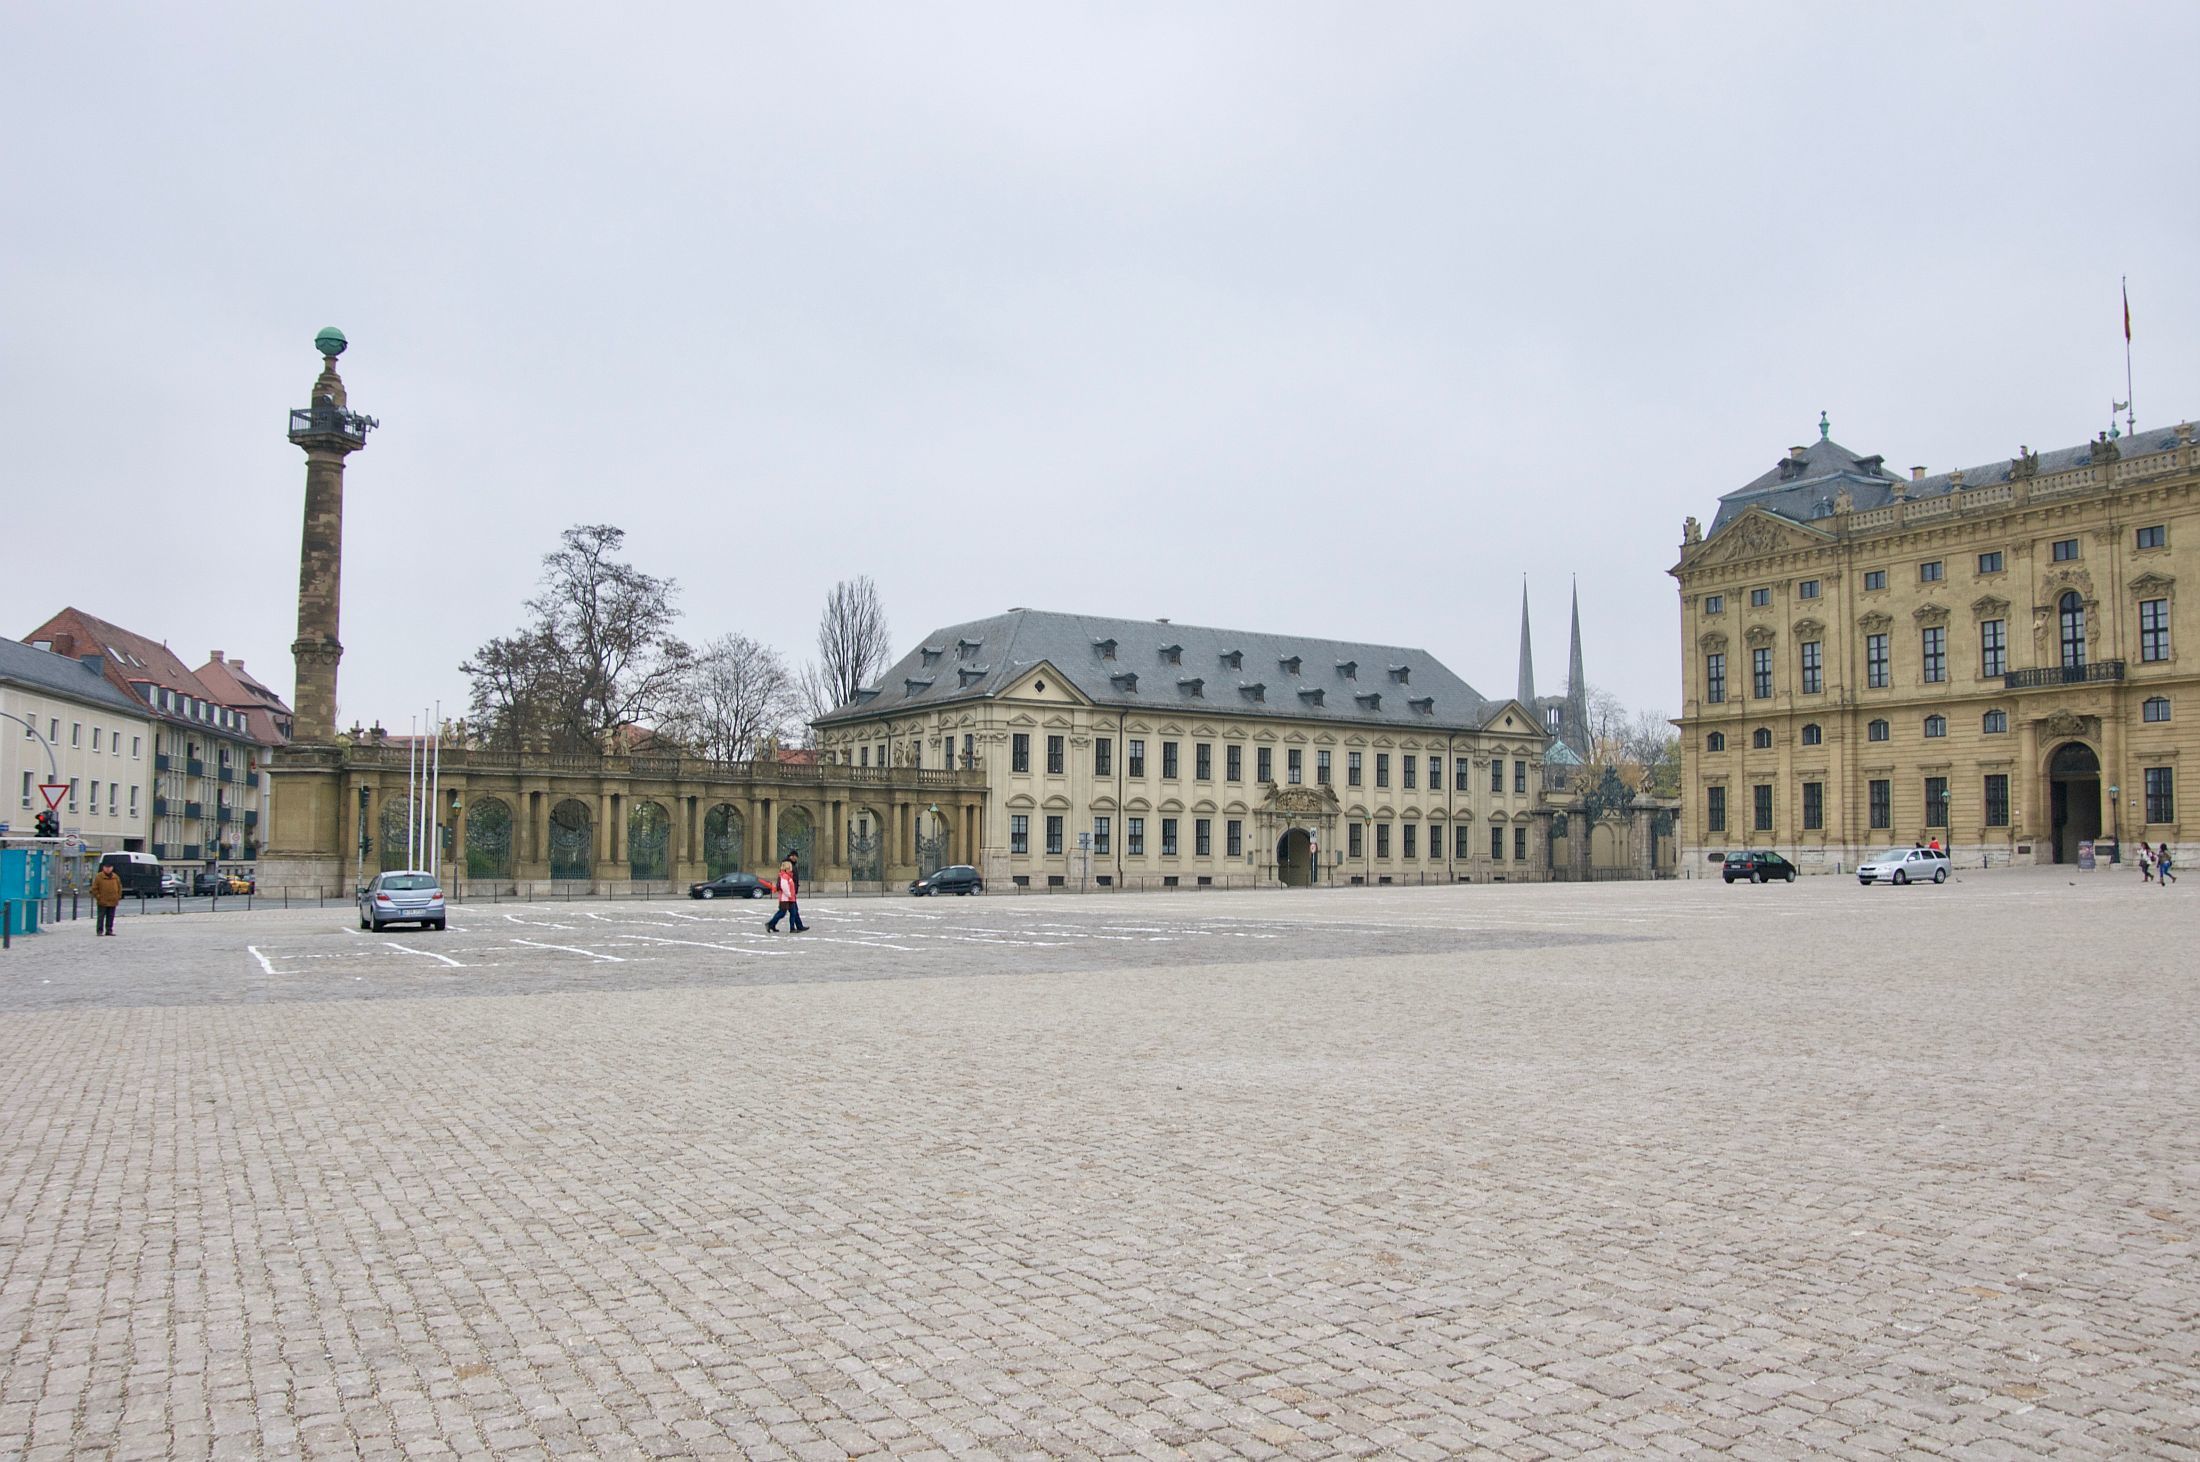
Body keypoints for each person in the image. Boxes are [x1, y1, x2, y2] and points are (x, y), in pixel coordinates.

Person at [765, 856, 808, 932]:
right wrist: (789, 895)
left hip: (790, 897)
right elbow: (784, 887)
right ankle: (770, 924)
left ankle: (793, 928)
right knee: (782, 913)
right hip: (786, 898)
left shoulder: (788, 876)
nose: (791, 869)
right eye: (790, 868)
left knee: (793, 912)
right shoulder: (784, 876)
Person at [91, 863, 123, 936]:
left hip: (113, 900)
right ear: (103, 868)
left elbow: (119, 887)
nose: (108, 869)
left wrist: (118, 896)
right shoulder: (99, 876)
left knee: (110, 917)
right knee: (101, 917)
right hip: (102, 900)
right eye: (106, 867)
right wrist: (98, 897)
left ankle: (109, 930)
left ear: (112, 868)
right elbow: (94, 889)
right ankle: (99, 931)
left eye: (109, 867)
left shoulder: (115, 877)